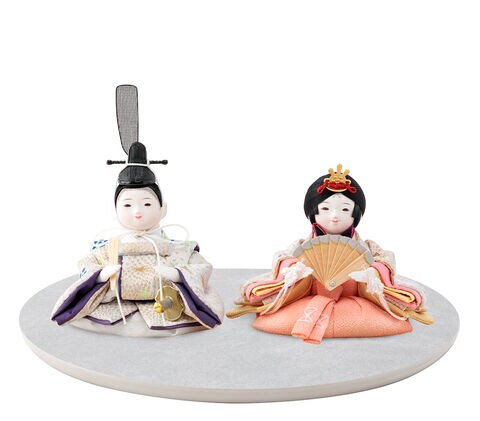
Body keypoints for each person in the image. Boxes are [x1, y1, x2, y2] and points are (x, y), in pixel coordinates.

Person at [226, 165, 432, 344]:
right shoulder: (301, 246)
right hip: (310, 295)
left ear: (355, 213)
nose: (334, 216)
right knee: (276, 316)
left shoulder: (368, 247)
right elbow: (283, 259)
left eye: (345, 209)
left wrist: (372, 274)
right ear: (313, 212)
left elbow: (384, 260)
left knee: (381, 319)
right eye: (325, 208)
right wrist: (294, 271)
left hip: (354, 298)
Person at [51, 142, 224, 337]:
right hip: (115, 308)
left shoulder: (179, 249)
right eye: (127, 205)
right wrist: (100, 275)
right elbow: (86, 265)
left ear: (163, 209)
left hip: (167, 305)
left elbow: (202, 267)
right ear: (115, 212)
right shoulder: (107, 248)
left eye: (147, 204)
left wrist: (178, 274)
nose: (137, 212)